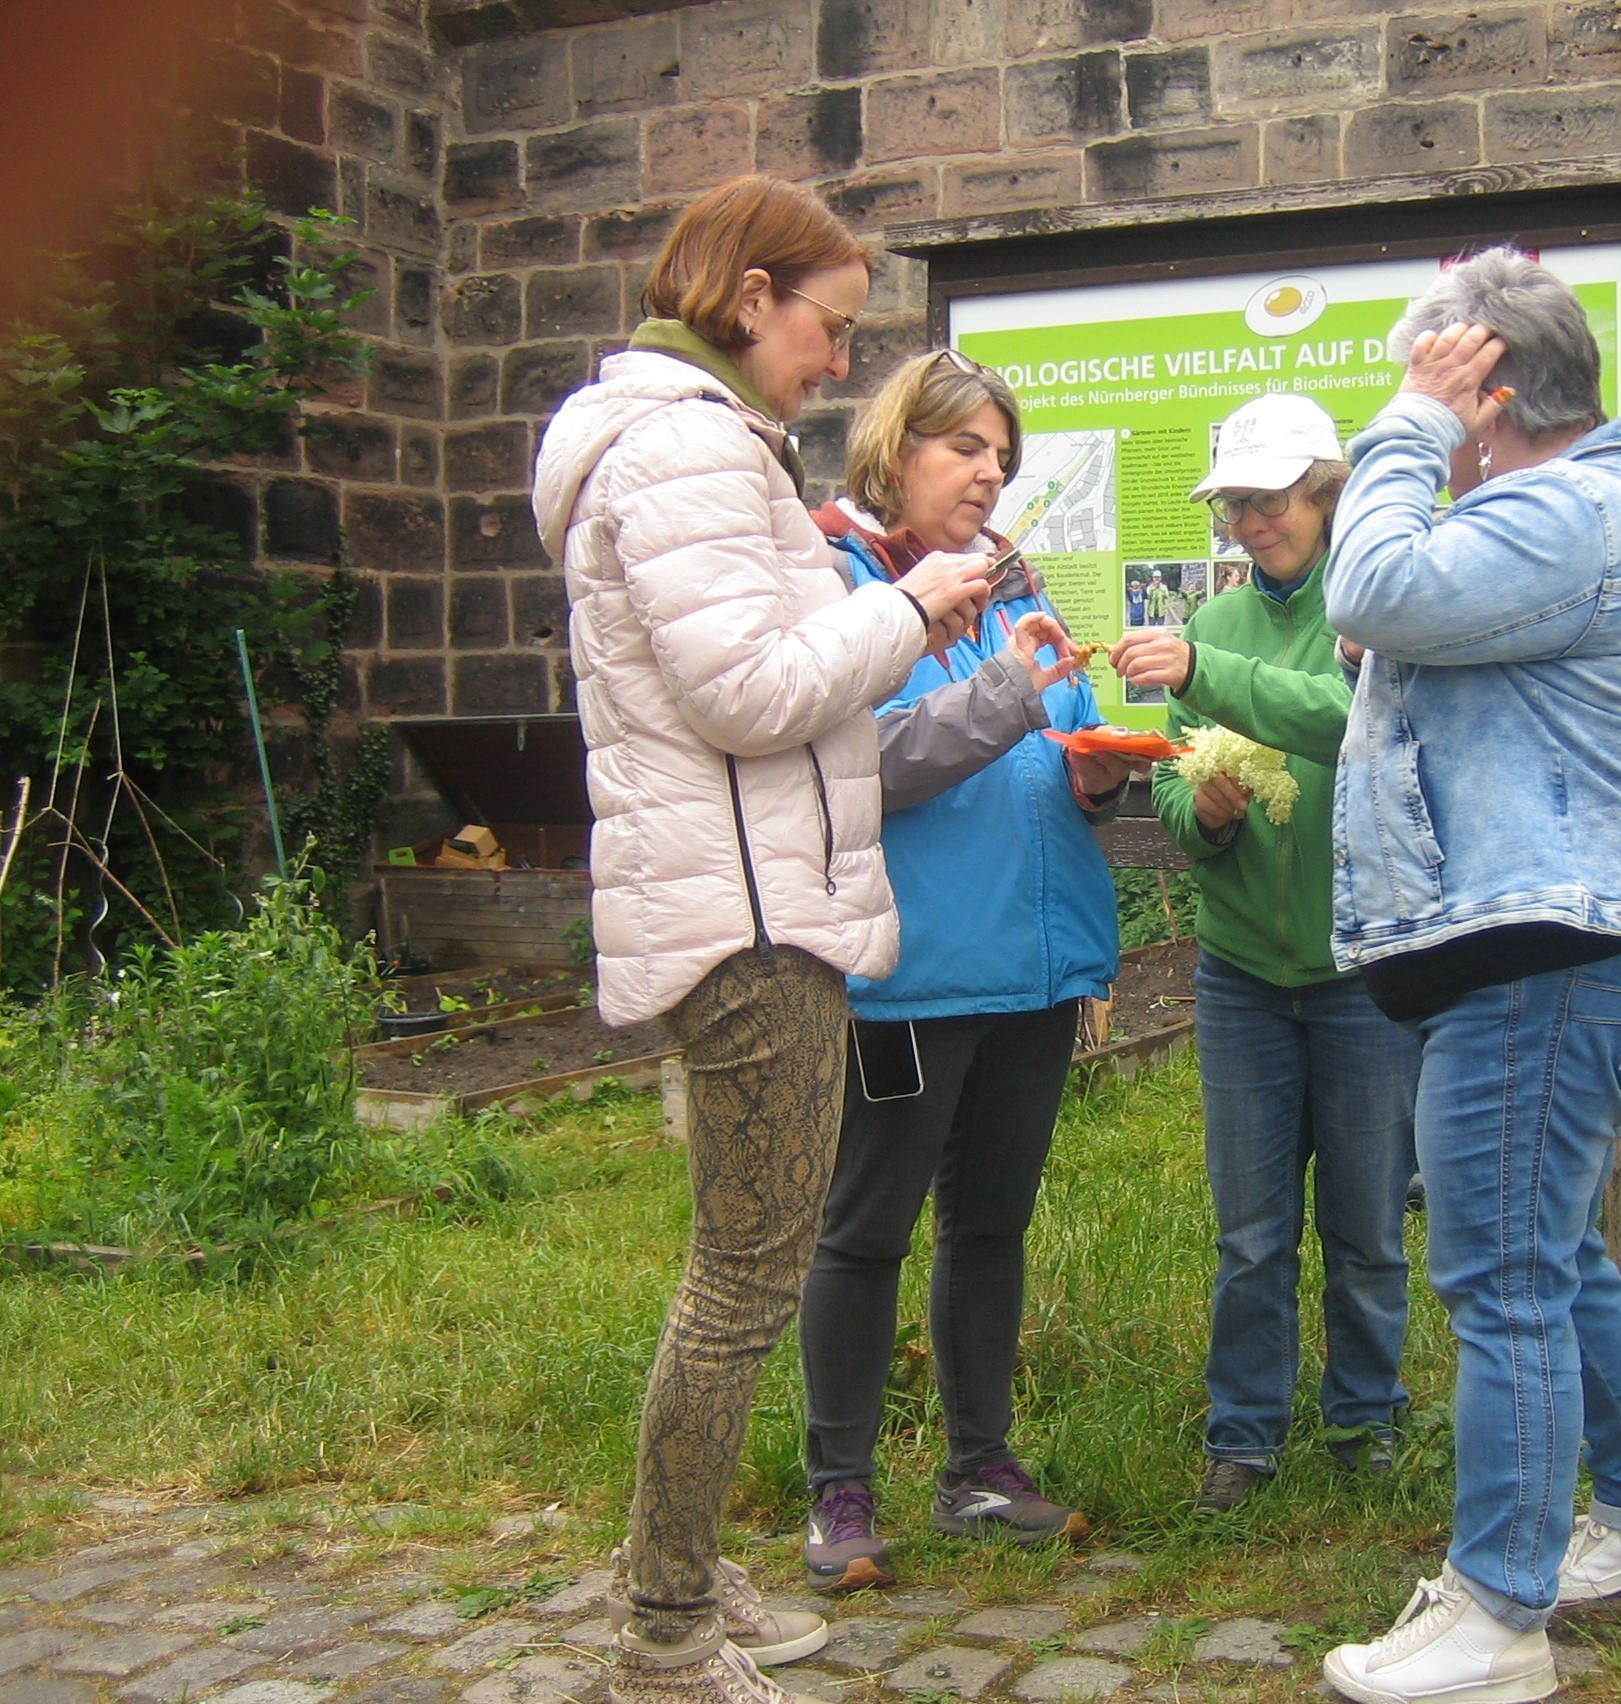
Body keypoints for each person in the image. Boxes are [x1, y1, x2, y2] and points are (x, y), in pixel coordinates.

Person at [531, 175, 995, 1704]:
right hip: (747, 925)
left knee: (733, 1271)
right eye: (830, 327)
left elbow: (753, 665)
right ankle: (665, 1636)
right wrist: (911, 609)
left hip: (747, 902)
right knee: (742, 1286)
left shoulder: (698, 442)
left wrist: (883, 611)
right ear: (750, 298)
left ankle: (679, 1574)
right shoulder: (682, 448)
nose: (839, 362)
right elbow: (746, 694)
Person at [1315, 251, 1621, 1704]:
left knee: (1502, 1277)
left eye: (1431, 379)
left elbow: (1369, 579)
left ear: (1484, 392)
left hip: (1557, 950)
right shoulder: (1568, 510)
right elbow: (1393, 627)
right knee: (1547, 1257)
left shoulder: (1566, 508)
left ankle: (1496, 1616)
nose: (1412, 404)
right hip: (1565, 939)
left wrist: (1407, 431)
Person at [797, 349, 1136, 1591]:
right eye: (964, 449)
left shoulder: (1011, 588)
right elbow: (861, 768)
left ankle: (979, 1472)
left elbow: (1055, 742)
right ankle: (839, 1491)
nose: (990, 475)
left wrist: (1098, 774)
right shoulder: (842, 582)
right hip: (909, 974)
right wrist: (1009, 695)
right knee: (866, 1229)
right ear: (895, 454)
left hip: (1032, 971)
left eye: (1002, 455)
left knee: (990, 1228)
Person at [1111, 392, 1421, 1517]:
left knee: (1367, 1225)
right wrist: (1208, 815)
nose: (1249, 524)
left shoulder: (1374, 606)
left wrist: (1201, 671)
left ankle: (1365, 1420)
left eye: (1269, 500)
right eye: (1234, 506)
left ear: (1325, 493)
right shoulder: (1221, 620)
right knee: (1250, 1234)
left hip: (1361, 974)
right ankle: (1243, 1436)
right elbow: (1169, 783)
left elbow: (1342, 714)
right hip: (1242, 975)